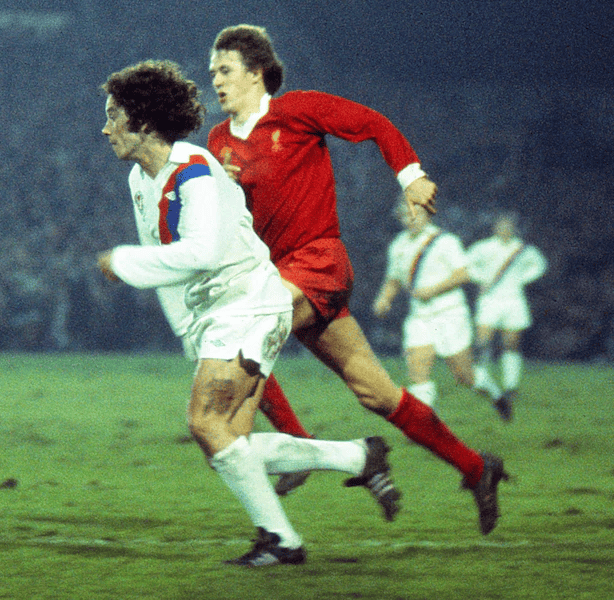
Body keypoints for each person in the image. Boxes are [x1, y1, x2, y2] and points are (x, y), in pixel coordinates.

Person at [97, 59, 401, 567]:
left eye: (113, 116)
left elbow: (202, 253)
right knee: (227, 442)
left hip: (250, 304)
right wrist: (187, 331)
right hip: (219, 314)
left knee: (205, 423)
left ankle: (282, 540)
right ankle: (358, 456)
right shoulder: (139, 179)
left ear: (144, 121)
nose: (106, 129)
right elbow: (166, 263)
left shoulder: (194, 169)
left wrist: (125, 262)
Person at [205, 24, 507, 535]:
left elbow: (371, 122)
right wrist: (226, 193)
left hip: (318, 263)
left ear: (255, 73)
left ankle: (295, 467)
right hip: (278, 277)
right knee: (378, 394)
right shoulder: (218, 142)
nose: (215, 80)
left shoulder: (296, 110)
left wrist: (411, 176)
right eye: (213, 71)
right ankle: (477, 468)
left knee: (244, 337)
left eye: (225, 70)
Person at [373, 199, 506, 418]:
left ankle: (496, 394)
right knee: (418, 373)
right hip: (419, 316)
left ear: (427, 214)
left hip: (450, 313)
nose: (411, 219)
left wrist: (433, 290)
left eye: (416, 213)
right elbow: (393, 279)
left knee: (464, 376)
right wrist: (384, 299)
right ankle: (428, 426)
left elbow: (463, 274)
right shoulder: (398, 245)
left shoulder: (446, 241)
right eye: (405, 214)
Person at [467, 211, 548, 419]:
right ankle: (482, 380)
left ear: (513, 228)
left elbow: (539, 265)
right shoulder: (483, 247)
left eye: (508, 226)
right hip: (490, 300)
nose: (505, 229)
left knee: (511, 343)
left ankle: (511, 385)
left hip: (514, 299)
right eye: (501, 225)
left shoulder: (522, 248)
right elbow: (467, 265)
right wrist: (481, 279)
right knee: (483, 341)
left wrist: (522, 279)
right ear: (495, 227)